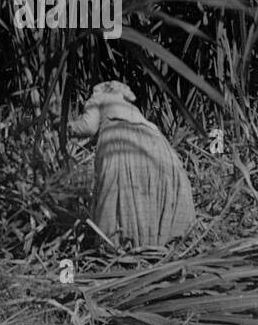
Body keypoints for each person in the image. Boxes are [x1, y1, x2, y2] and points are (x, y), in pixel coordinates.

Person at [67, 80, 195, 250]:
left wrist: (65, 127)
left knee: (119, 187)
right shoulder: (129, 106)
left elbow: (88, 128)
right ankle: (158, 236)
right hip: (153, 137)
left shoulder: (98, 98)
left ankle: (119, 240)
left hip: (120, 138)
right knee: (148, 183)